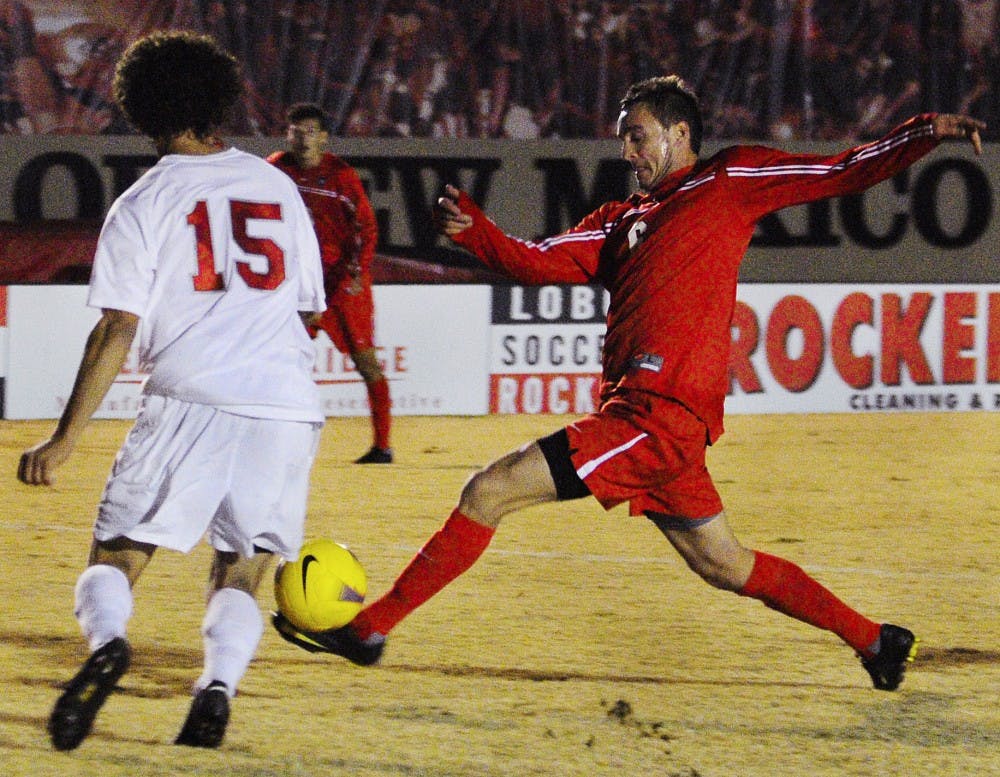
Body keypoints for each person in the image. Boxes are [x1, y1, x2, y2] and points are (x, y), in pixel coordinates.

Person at [271, 75, 986, 691]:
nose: (626, 152)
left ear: (680, 133)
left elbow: (841, 171)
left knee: (488, 489)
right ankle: (876, 640)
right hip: (649, 418)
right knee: (724, 563)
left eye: (638, 136)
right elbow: (536, 260)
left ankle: (370, 628)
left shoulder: (727, 180)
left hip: (657, 415)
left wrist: (921, 132)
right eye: (623, 138)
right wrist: (474, 232)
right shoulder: (622, 221)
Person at [17, 30, 326, 750]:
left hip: (189, 398)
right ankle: (216, 686)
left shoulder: (143, 201)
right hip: (284, 404)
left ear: (140, 110)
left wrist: (64, 439)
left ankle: (108, 644)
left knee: (118, 554)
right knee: (242, 571)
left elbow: (116, 329)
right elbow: (308, 307)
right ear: (220, 101)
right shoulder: (277, 185)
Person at [268, 103, 393, 464]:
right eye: (296, 130)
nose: (303, 137)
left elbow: (366, 228)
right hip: (298, 285)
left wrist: (355, 272)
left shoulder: (341, 176)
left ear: (323, 137)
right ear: (288, 134)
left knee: (366, 363)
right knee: (283, 363)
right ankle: (281, 443)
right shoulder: (276, 168)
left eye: (310, 131)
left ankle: (382, 447)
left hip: (341, 285)